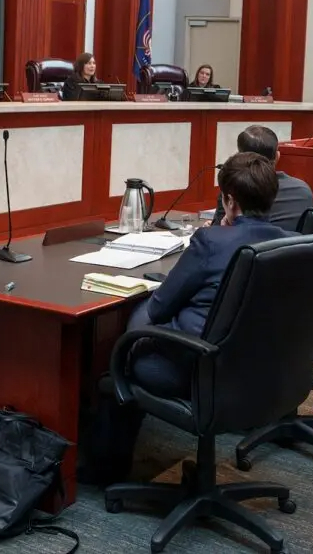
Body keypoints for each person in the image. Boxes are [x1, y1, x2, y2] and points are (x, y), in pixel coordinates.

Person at [78, 151, 286, 485]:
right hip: (258, 369)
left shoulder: (211, 241)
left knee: (123, 353)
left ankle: (103, 472)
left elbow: (159, 309)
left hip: (195, 370)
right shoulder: (290, 243)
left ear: (229, 201)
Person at [211, 125, 313, 230]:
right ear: (277, 156)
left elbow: (216, 237)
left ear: (240, 158)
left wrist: (215, 229)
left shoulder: (234, 190)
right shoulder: (303, 190)